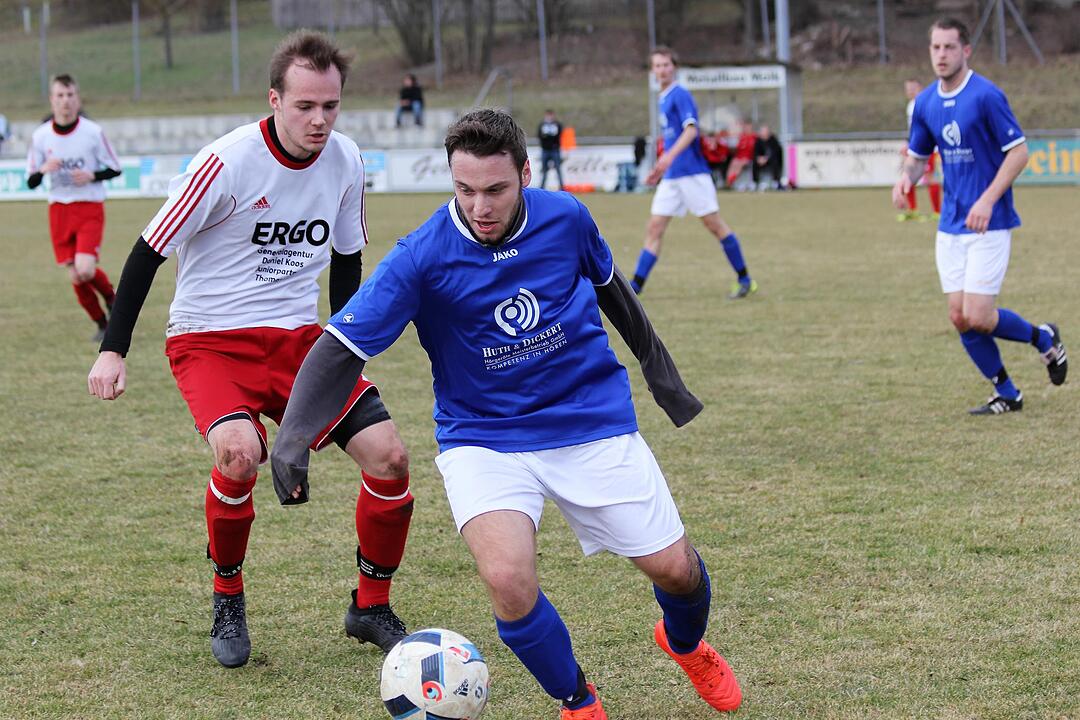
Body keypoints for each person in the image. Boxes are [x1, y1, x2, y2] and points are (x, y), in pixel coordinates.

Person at [270, 109, 743, 719]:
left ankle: (685, 644)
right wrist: (294, 437)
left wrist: (663, 377)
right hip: (482, 438)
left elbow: (612, 290)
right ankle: (579, 702)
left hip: (588, 418)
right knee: (509, 583)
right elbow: (340, 346)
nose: (480, 206)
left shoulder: (565, 217)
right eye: (464, 190)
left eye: (495, 190)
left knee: (676, 571)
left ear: (524, 174)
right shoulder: (421, 256)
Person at [86, 31, 414, 668]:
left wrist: (347, 351)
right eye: (305, 106)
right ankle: (227, 596)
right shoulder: (227, 162)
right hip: (210, 340)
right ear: (275, 100)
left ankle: (369, 606)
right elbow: (148, 250)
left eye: (331, 106)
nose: (319, 120)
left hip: (300, 344)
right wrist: (113, 349)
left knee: (391, 458)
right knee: (241, 455)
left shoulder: (346, 161)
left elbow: (347, 266)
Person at [892, 18, 1067, 415]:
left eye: (949, 47)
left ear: (966, 50)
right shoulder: (925, 104)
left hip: (990, 220)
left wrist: (987, 200)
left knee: (978, 315)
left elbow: (1019, 153)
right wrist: (904, 179)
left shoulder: (987, 95)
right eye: (935, 48)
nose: (941, 55)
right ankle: (1007, 392)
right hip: (950, 223)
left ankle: (1043, 339)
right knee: (959, 316)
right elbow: (919, 159)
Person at [633, 47, 756, 299]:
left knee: (714, 225)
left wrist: (668, 158)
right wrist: (659, 168)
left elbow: (691, 131)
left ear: (674, 67)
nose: (662, 69)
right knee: (654, 227)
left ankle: (745, 279)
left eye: (666, 65)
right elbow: (671, 139)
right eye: (657, 65)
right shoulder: (663, 97)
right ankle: (635, 286)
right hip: (672, 177)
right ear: (652, 70)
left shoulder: (680, 95)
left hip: (692, 174)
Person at [26, 74, 121, 341]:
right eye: (60, 96)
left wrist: (92, 175)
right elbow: (31, 180)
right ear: (52, 100)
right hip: (59, 210)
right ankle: (103, 324)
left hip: (89, 207)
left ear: (77, 99)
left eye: (70, 96)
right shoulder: (41, 136)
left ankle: (113, 300)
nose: (65, 102)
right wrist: (43, 170)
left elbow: (115, 168)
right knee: (77, 278)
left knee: (86, 268)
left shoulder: (92, 132)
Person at [898, 78, 942, 221]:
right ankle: (912, 210)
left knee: (930, 178)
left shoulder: (927, 103)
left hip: (928, 147)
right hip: (914, 146)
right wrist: (908, 143)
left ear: (921, 88)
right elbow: (913, 129)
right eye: (908, 88)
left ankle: (937, 212)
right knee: (908, 175)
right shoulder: (910, 105)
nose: (910, 91)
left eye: (913, 88)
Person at [537, 109, 565, 191]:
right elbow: (539, 135)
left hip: (555, 150)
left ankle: (562, 188)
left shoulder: (557, 124)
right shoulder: (542, 125)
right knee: (544, 170)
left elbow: (560, 134)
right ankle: (542, 188)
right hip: (545, 150)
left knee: (558, 170)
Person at [752, 124, 783, 190]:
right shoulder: (758, 141)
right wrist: (758, 158)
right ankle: (755, 182)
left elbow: (775, 153)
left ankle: (776, 182)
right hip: (761, 161)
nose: (763, 134)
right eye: (762, 132)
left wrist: (766, 158)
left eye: (765, 132)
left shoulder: (773, 140)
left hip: (771, 160)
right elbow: (755, 152)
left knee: (775, 162)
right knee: (754, 163)